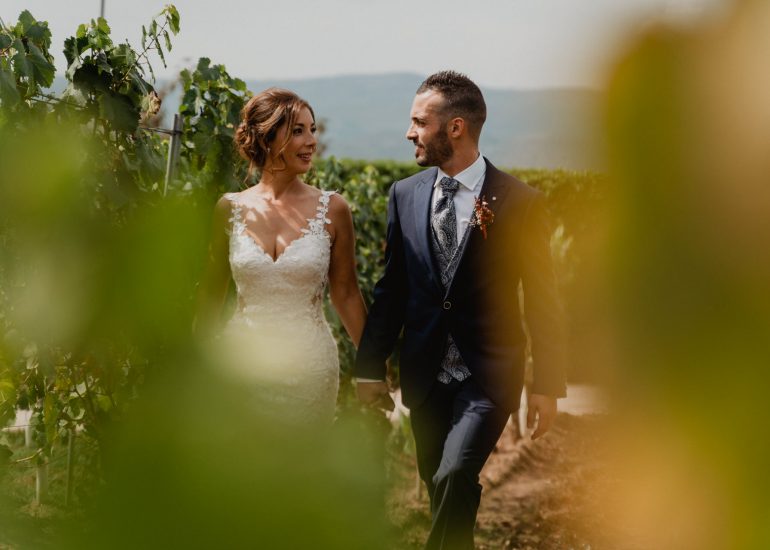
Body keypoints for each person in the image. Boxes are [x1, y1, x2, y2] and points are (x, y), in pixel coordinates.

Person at [354, 71, 567, 549]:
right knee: (444, 489)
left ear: (455, 128)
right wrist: (369, 368)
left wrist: (547, 384)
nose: (410, 132)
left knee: (454, 471)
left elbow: (543, 301)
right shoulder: (403, 196)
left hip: (487, 376)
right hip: (424, 375)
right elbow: (392, 290)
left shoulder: (521, 203)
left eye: (419, 121)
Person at [195, 88, 367, 426]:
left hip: (310, 371)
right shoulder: (229, 208)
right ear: (269, 138)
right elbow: (212, 291)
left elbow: (346, 294)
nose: (312, 141)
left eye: (312, 129)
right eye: (298, 131)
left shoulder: (334, 209)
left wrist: (373, 369)